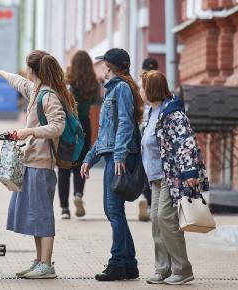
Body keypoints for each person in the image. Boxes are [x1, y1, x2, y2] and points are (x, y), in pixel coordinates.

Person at [0, 50, 75, 279]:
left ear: (34, 70)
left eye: (27, 67)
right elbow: (20, 83)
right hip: (31, 163)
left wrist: (29, 131)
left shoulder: (49, 96)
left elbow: (58, 126)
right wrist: (2, 73)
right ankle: (39, 262)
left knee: (42, 215)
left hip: (42, 164)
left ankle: (47, 265)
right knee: (35, 215)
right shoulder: (35, 90)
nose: (25, 72)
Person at [81, 48, 144, 281]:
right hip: (112, 156)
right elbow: (106, 132)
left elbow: (126, 125)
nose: (102, 67)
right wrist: (89, 158)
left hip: (120, 158)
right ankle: (128, 263)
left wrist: (118, 156)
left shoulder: (122, 89)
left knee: (114, 210)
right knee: (114, 210)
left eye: (105, 64)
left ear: (112, 66)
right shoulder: (112, 90)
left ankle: (118, 263)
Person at [140, 70, 208, 285]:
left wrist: (190, 173)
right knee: (156, 219)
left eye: (143, 87)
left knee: (166, 219)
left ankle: (182, 268)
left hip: (173, 176)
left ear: (150, 89)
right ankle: (163, 269)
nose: (140, 91)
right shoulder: (151, 112)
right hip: (156, 177)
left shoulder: (173, 114)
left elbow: (185, 144)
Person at [58, 50, 98, 219]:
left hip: (69, 125)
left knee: (64, 167)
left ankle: (65, 209)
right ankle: (78, 195)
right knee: (81, 163)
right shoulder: (93, 84)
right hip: (84, 125)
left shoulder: (67, 82)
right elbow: (95, 101)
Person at [138, 57, 159, 221]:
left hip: (145, 133)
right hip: (149, 133)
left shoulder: (142, 89)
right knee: (148, 166)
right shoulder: (162, 88)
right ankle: (150, 203)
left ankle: (146, 198)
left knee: (145, 167)